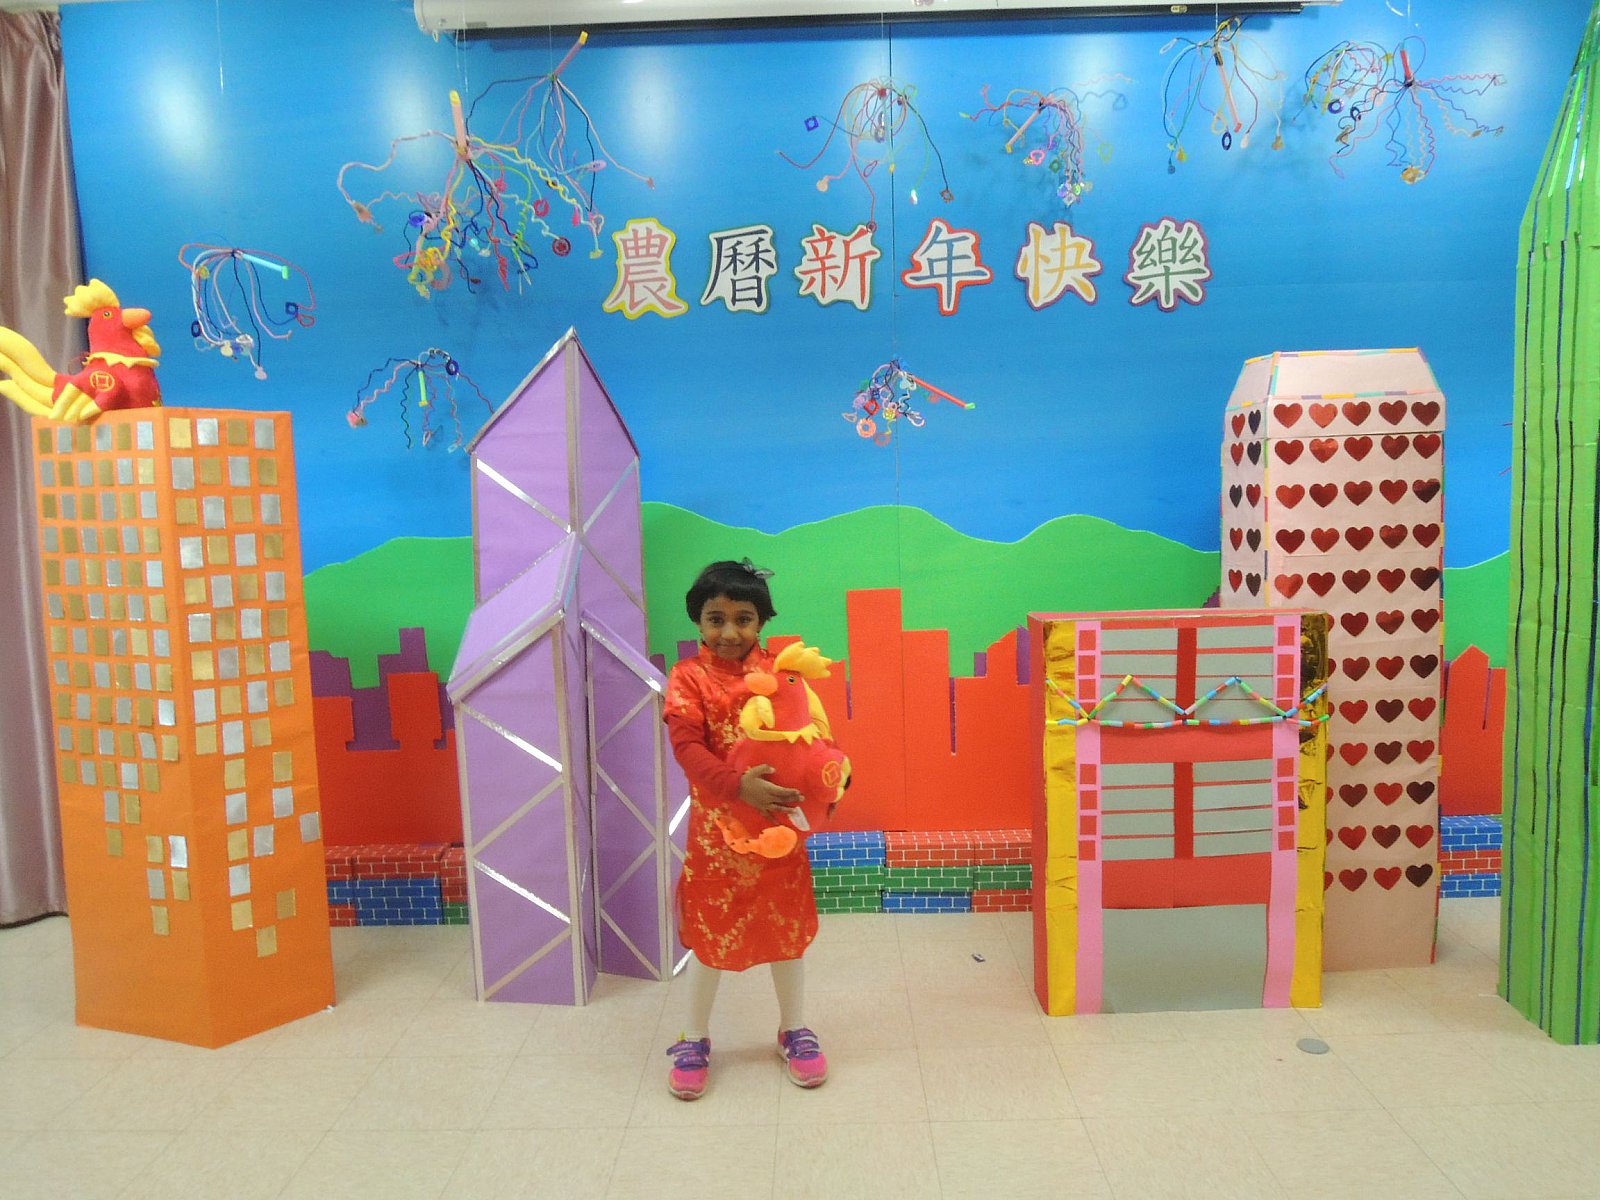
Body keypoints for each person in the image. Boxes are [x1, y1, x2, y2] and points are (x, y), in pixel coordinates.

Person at [661, 558, 828, 1100]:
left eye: (744, 619)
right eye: (716, 619)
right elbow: (687, 748)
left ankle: (793, 1029)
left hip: (778, 831)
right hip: (718, 838)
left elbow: (812, 736)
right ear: (698, 621)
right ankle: (694, 1037)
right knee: (709, 938)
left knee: (786, 934)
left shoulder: (784, 673)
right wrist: (738, 787)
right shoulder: (687, 678)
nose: (729, 632)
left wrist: (828, 778)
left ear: (762, 622)